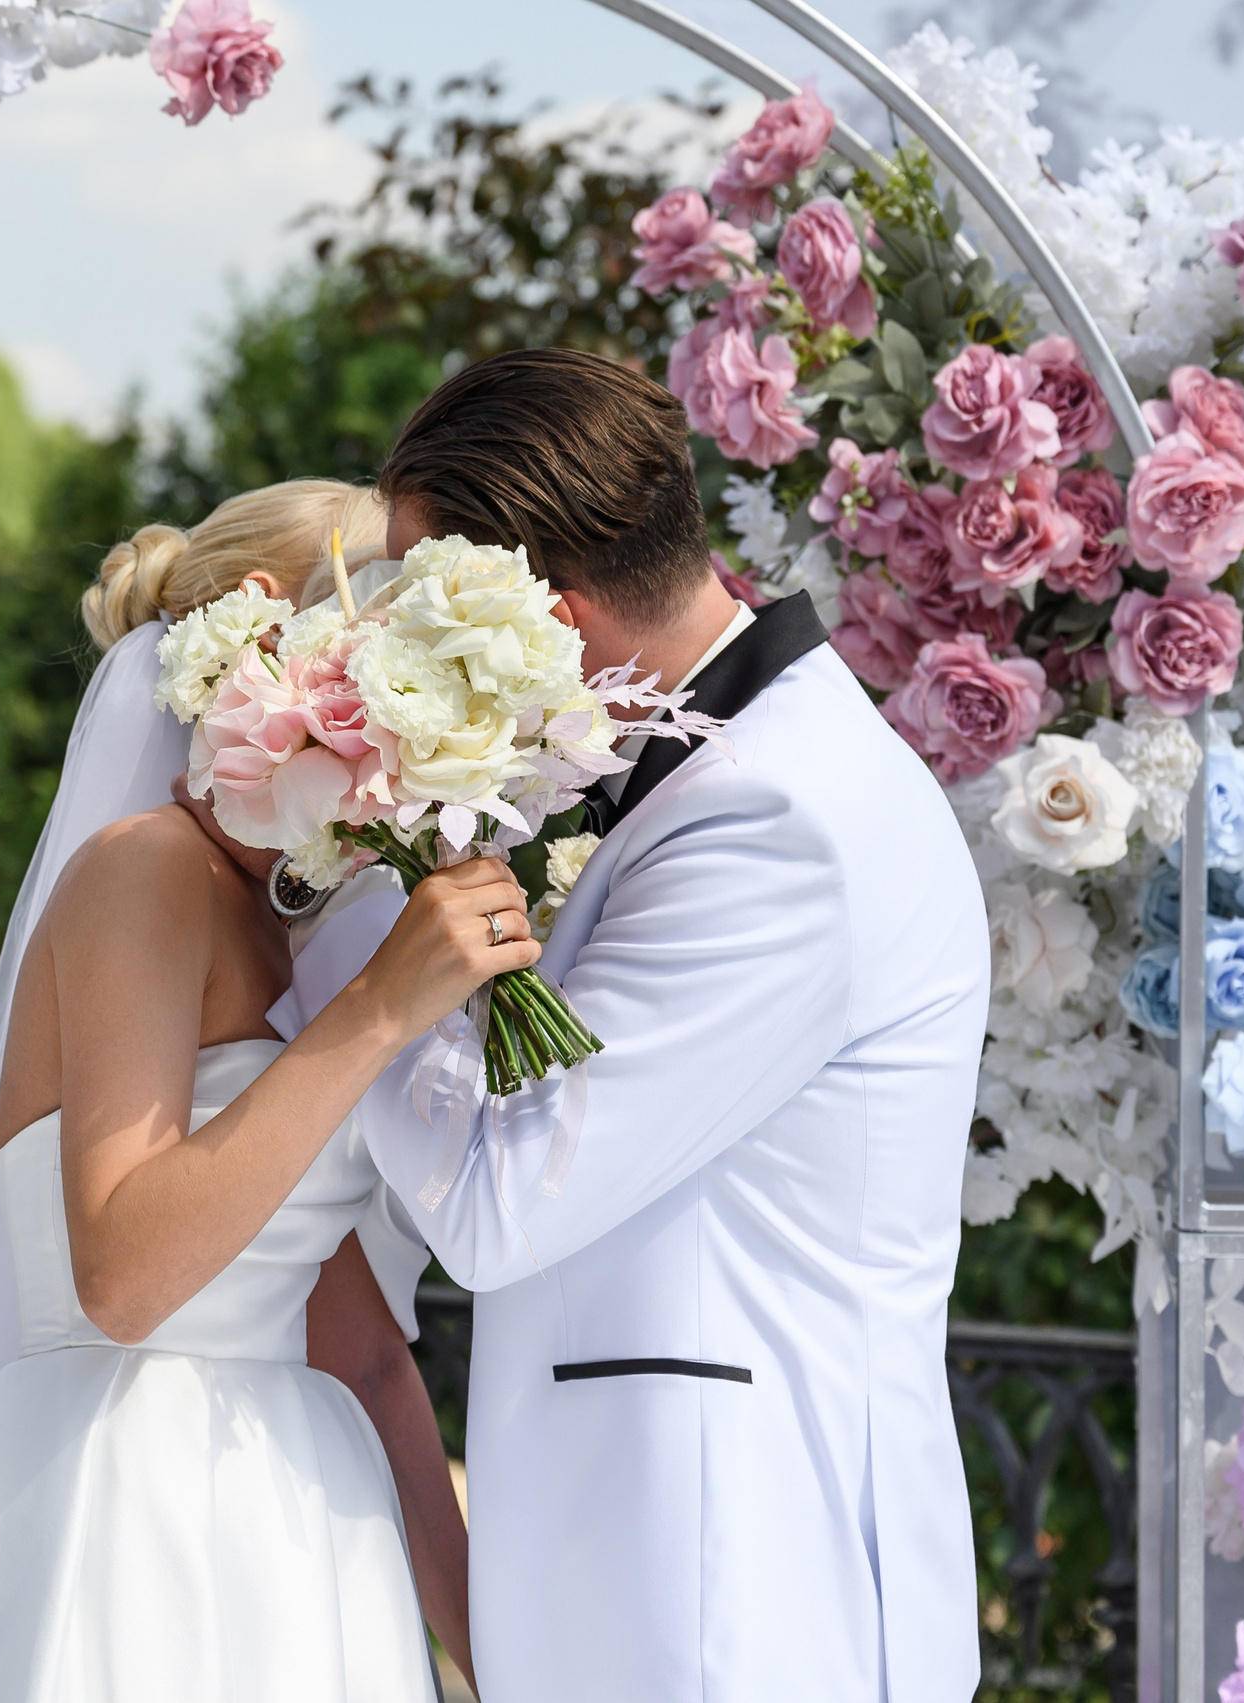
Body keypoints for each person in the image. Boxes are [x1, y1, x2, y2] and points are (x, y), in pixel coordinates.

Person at [344, 350, 988, 1702]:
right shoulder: (731, 769)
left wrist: (351, 940)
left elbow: (500, 1200)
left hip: (731, 1583)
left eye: (419, 611)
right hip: (666, 1563)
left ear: (549, 615)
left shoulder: (775, 816)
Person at [0, 480, 506, 1702]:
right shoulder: (142, 870)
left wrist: (492, 1650)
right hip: (130, 1498)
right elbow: (122, 1279)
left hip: (295, 1515)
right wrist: (378, 1011)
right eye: (394, 623)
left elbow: (360, 1348)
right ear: (265, 623)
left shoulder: (290, 927)